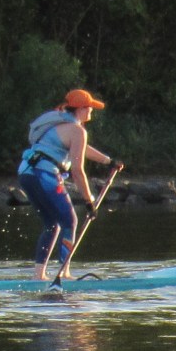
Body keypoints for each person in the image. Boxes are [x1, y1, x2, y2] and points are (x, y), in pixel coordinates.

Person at [20, 88, 117, 285]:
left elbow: (82, 148)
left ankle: (39, 276)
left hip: (26, 173)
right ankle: (64, 273)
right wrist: (89, 202)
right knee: (70, 221)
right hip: (44, 175)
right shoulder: (77, 130)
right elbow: (78, 171)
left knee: (51, 224)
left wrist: (108, 161)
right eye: (90, 107)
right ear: (81, 108)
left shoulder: (60, 123)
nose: (92, 111)